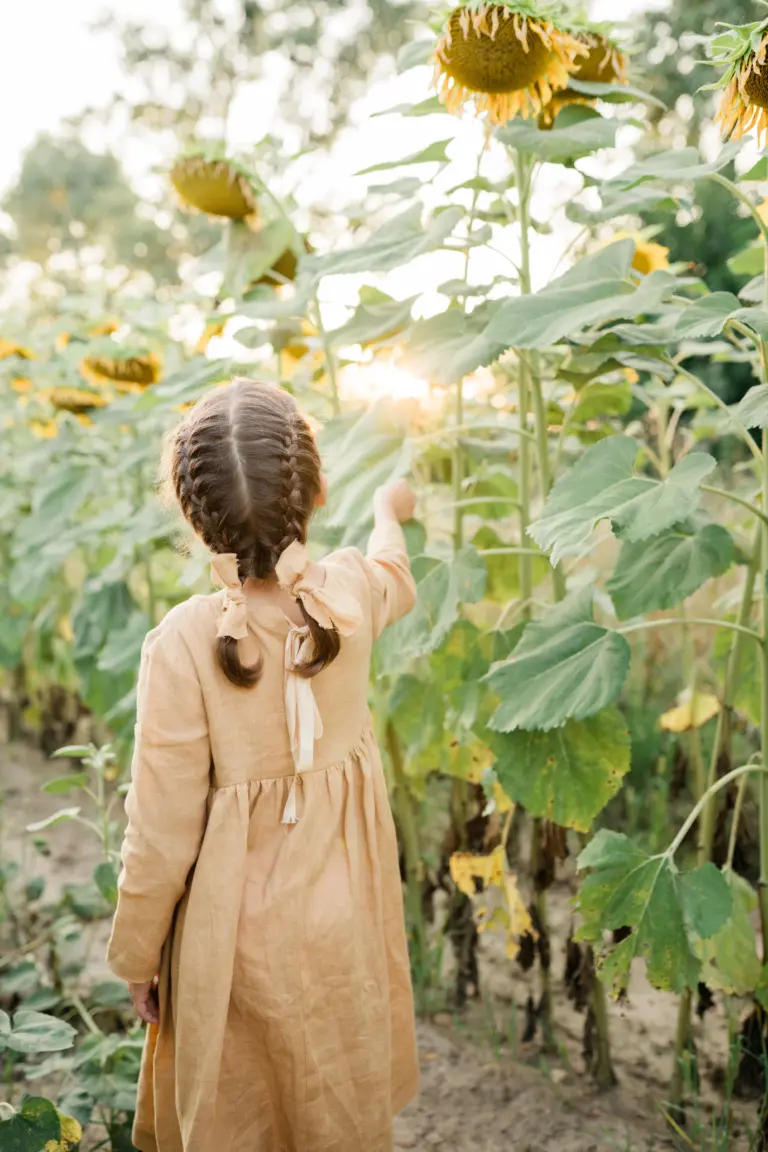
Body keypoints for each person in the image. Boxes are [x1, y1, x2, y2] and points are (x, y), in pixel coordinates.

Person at [106, 377, 420, 1152]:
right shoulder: (346, 592)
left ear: (191, 514)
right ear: (314, 494)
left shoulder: (182, 643)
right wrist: (389, 513)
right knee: (332, 1090)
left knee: (239, 1108)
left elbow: (161, 829)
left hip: (229, 930)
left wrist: (137, 956)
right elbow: (397, 576)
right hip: (343, 910)